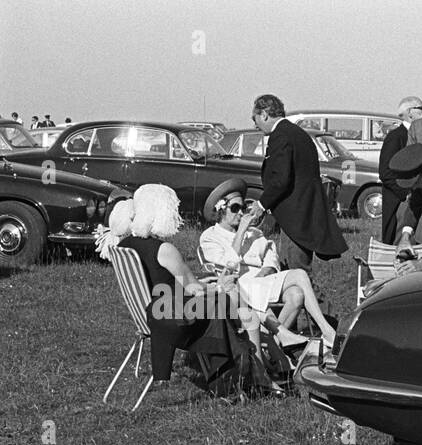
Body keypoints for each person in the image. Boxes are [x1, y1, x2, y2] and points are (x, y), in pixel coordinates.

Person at [103, 184, 262, 394]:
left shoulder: (125, 245)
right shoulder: (163, 250)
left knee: (231, 303)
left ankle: (255, 372)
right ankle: (255, 377)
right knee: (247, 314)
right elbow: (194, 289)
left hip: (150, 315)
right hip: (177, 320)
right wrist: (219, 286)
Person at [198, 178, 336, 351]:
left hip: (261, 279)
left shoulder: (255, 233)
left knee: (298, 284)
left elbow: (271, 254)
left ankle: (309, 335)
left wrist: (266, 270)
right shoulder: (210, 237)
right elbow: (229, 265)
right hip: (237, 285)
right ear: (220, 211)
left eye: (243, 208)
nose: (240, 213)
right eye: (234, 208)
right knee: (296, 293)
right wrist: (240, 232)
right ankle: (278, 345)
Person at [247, 94, 348, 273]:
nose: (255, 124)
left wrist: (261, 204)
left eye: (254, 118)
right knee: (296, 271)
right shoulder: (296, 133)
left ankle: (312, 302)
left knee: (295, 273)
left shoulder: (281, 136)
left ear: (264, 114)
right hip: (304, 211)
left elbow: (280, 179)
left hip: (295, 217)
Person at [378, 96, 422, 244]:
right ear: (410, 113)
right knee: (399, 242)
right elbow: (385, 172)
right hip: (400, 200)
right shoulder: (396, 137)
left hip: (416, 196)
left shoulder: (419, 134)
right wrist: (405, 194)